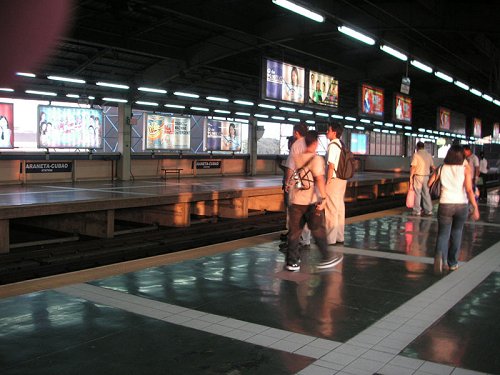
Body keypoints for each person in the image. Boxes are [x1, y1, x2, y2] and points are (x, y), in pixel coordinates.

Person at [286, 130, 343, 271]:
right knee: (318, 230)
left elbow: (290, 173)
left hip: (296, 200)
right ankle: (326, 257)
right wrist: (323, 198)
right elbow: (319, 179)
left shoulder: (296, 157)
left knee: (294, 232)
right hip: (311, 201)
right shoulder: (317, 159)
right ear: (316, 143)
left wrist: (288, 184)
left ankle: (292, 262)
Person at [430, 145, 480, 274]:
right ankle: (452, 263)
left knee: (443, 233)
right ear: (462, 156)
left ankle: (440, 258)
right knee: (457, 233)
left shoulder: (441, 168)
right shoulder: (465, 169)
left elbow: (429, 183)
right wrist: (475, 207)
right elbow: (469, 190)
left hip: (445, 203)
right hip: (461, 204)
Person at [283, 123, 311, 249]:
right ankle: (306, 239)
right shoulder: (311, 144)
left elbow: (290, 167)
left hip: (297, 183)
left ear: (296, 132)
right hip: (310, 183)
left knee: (294, 212)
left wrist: (287, 182)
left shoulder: (296, 145)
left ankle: (295, 239)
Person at [324, 122, 347, 245]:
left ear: (334, 132)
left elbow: (331, 166)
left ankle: (330, 239)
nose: (327, 132)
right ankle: (339, 236)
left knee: (331, 209)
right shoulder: (341, 144)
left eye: (328, 130)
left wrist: (326, 182)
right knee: (339, 208)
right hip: (342, 180)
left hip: (334, 180)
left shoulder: (333, 145)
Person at [409, 141, 435, 216]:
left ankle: (417, 210)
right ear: (423, 147)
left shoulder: (416, 155)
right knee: (426, 193)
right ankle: (429, 210)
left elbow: (413, 167)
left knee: (417, 194)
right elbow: (433, 166)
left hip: (418, 176)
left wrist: (411, 177)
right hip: (426, 177)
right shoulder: (428, 155)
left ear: (417, 147)